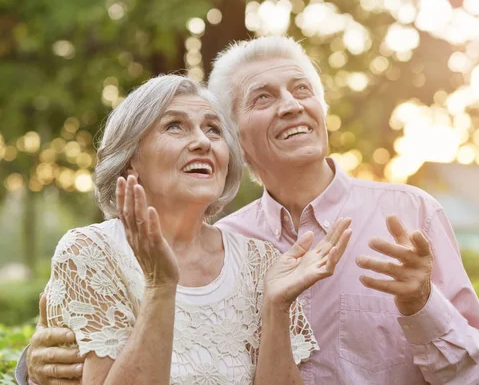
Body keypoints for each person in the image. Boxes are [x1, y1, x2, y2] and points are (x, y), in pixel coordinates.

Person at [20, 36, 479, 385]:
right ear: (236, 138)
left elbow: (476, 374)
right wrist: (30, 367)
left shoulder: (411, 214)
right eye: (263, 97)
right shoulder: (229, 243)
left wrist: (420, 305)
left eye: (302, 91)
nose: (291, 106)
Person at [19, 74, 352, 385]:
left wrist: (276, 309)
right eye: (175, 126)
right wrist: (160, 285)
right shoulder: (91, 251)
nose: (202, 142)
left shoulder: (260, 260)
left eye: (213, 130)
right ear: (132, 157)